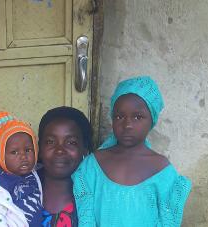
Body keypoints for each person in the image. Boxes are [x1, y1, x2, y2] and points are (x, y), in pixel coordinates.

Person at [72, 76, 192, 227]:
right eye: (119, 116)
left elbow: (167, 222)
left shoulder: (162, 170)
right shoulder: (93, 165)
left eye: (138, 117)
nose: (127, 124)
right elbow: (86, 219)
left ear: (152, 120)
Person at [0, 111, 43, 227]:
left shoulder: (35, 174)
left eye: (28, 150)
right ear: (1, 156)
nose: (23, 156)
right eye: (14, 152)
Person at [38, 106, 93, 227]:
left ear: (85, 150)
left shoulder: (94, 196)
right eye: (50, 142)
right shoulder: (18, 190)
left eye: (71, 142)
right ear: (39, 148)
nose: (59, 150)